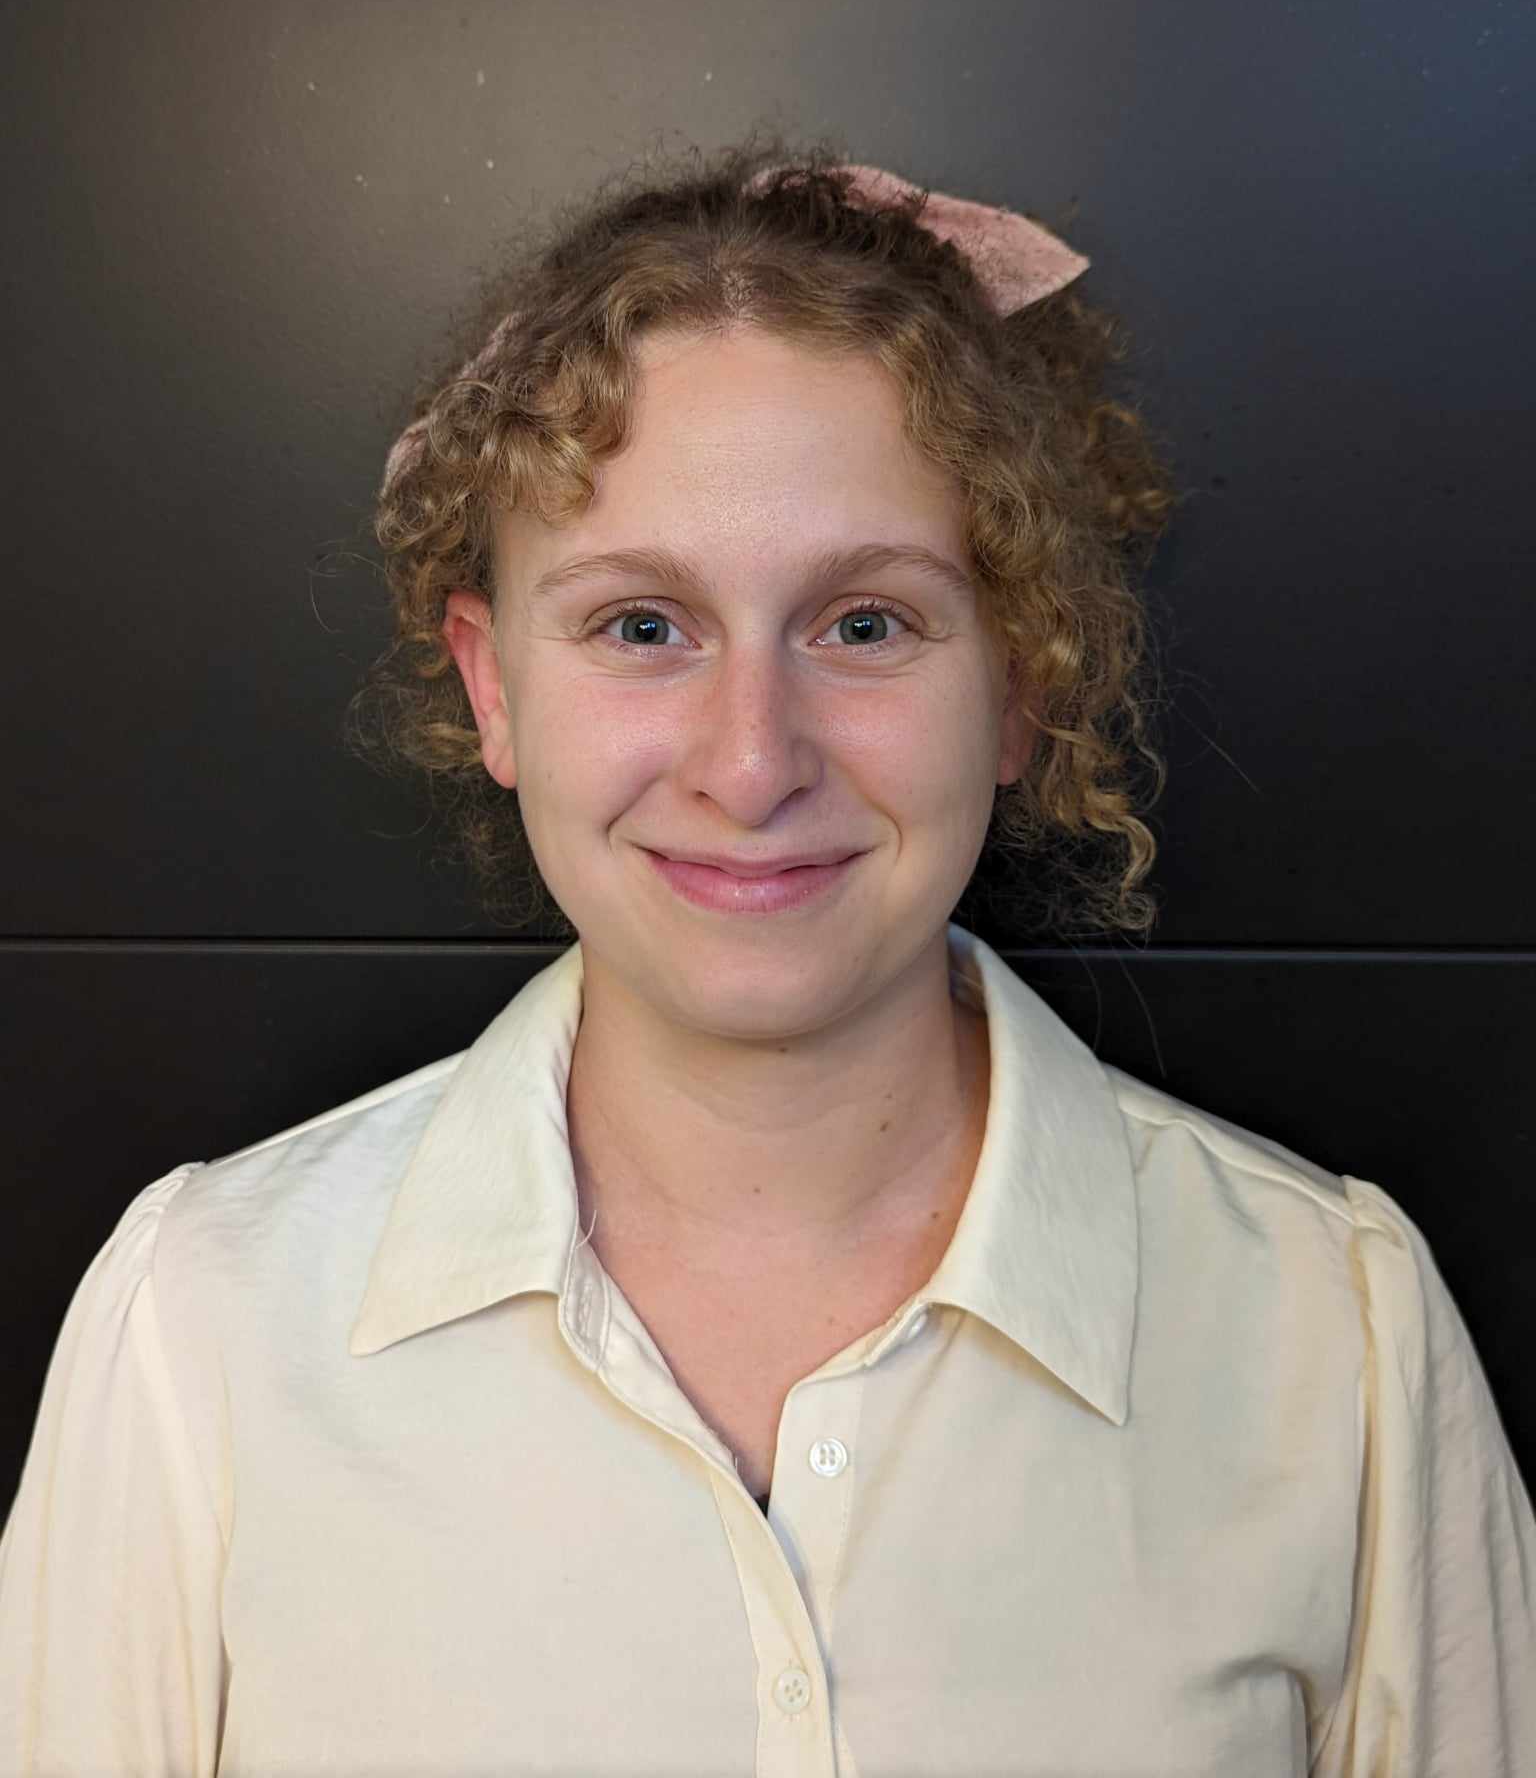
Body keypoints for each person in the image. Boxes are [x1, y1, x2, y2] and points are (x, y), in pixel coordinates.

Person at [1, 134, 1531, 1774]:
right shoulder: (206, 1329)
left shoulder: (1335, 1336)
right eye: (640, 626)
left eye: (865, 623)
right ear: (493, 684)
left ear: (1020, 680)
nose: (751, 762)